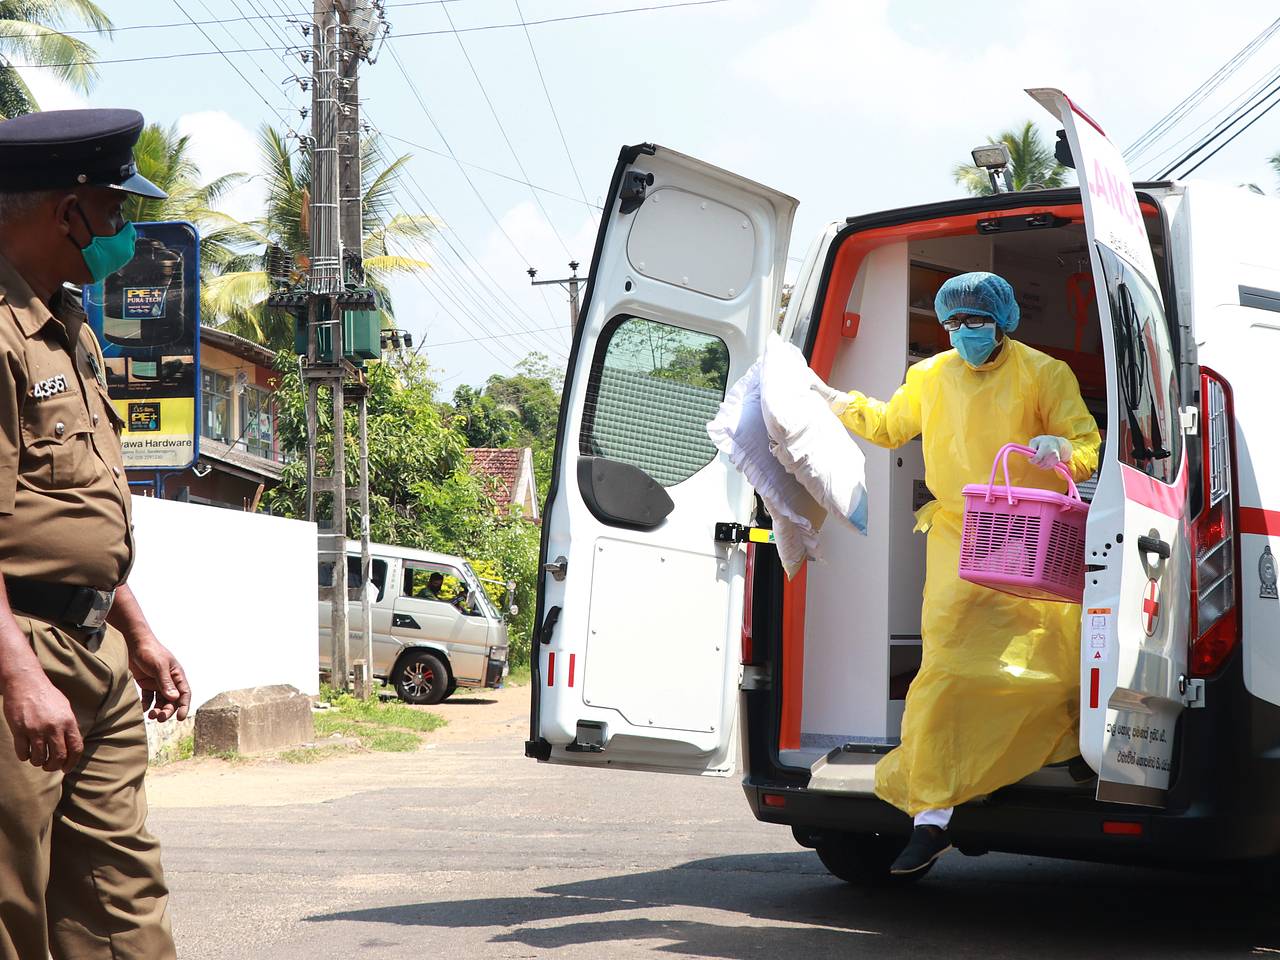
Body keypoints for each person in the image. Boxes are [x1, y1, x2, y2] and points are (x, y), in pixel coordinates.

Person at [811, 271, 1101, 876]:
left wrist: (1059, 448)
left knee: (1047, 661)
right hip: (959, 535)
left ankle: (1063, 749)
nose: (964, 334)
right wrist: (836, 403)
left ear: (1004, 321)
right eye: (954, 324)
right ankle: (933, 817)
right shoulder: (931, 375)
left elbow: (1086, 445)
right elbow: (891, 425)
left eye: (976, 322)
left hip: (1032, 533)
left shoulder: (1044, 374)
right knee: (944, 665)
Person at [0, 109, 191, 959]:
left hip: (91, 648)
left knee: (122, 906)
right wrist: (19, 679)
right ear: (66, 210)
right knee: (12, 905)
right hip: (18, 655)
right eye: (115, 210)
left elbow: (70, 514)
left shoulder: (68, 325)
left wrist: (135, 629)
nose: (123, 231)